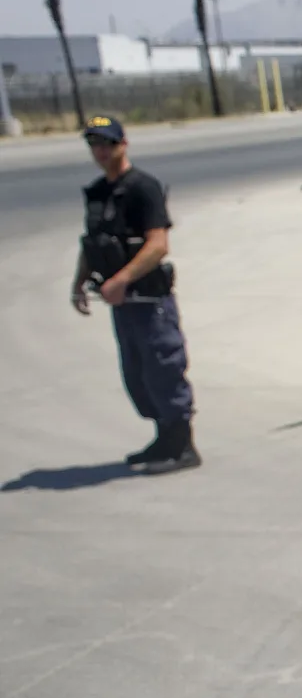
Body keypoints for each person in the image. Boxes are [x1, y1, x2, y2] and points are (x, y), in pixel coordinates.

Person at [72, 114, 199, 474]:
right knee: (137, 373)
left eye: (107, 143)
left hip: (149, 299)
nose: (100, 151)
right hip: (122, 302)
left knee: (164, 366)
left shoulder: (143, 187)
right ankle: (163, 439)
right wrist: (79, 282)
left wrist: (121, 279)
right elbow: (92, 243)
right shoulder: (98, 192)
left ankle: (183, 446)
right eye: (94, 144)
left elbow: (158, 245)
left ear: (123, 144)